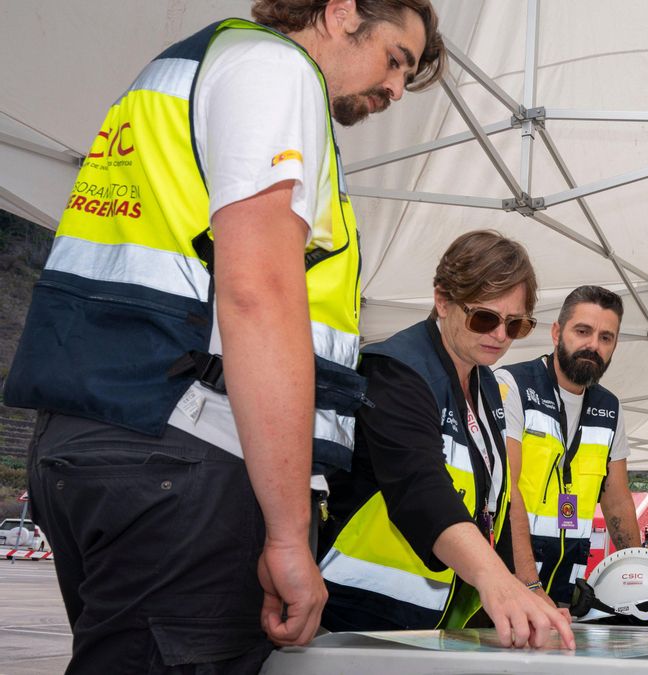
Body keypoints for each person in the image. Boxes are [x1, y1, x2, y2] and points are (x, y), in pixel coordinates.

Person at [5, 1, 445, 670]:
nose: (393, 90)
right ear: (342, 11)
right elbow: (258, 295)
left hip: (97, 437)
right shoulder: (277, 72)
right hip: (190, 449)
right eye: (394, 60)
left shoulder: (183, 72)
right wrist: (289, 533)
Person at [318, 230, 575, 649]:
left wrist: (527, 588)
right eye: (485, 318)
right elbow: (420, 488)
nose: (500, 335)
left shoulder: (488, 384)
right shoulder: (396, 371)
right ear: (442, 300)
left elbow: (500, 502)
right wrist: (496, 580)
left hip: (435, 628)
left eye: (517, 324)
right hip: (360, 618)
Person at [496, 285, 640, 606]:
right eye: (583, 331)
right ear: (557, 332)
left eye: (606, 338)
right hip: (507, 582)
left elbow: (617, 501)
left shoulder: (610, 408)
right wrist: (529, 585)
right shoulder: (513, 385)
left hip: (563, 589)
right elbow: (508, 490)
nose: (593, 345)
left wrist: (639, 576)